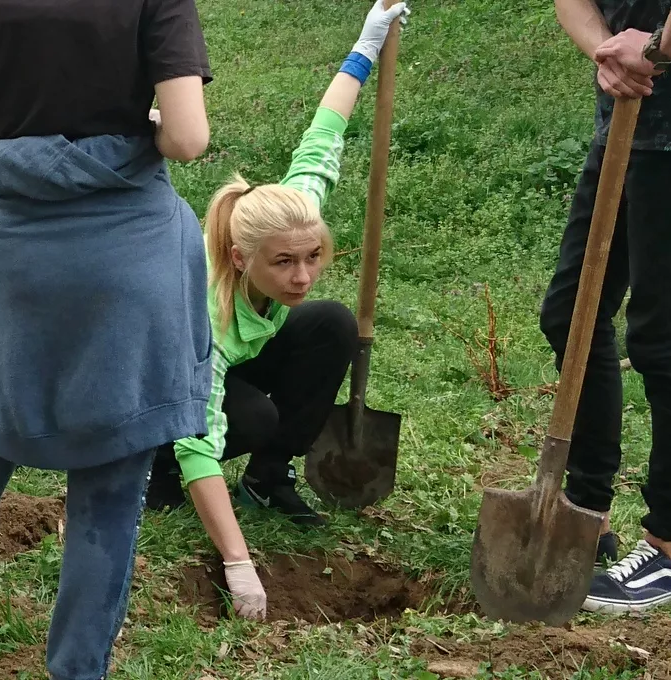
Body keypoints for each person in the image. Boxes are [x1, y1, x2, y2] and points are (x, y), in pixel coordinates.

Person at [143, 0, 412, 621]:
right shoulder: (206, 313)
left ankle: (267, 477)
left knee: (330, 323)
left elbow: (324, 134)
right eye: (285, 263)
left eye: (313, 256)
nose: (304, 275)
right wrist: (238, 563)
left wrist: (365, 46)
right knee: (248, 418)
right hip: (166, 390)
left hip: (241, 361)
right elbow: (199, 443)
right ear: (240, 259)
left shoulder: (290, 213)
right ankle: (148, 470)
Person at [0, 0, 212, 678]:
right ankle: (76, 669)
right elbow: (189, 139)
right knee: (107, 495)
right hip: (127, 268)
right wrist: (151, 126)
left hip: (20, 264)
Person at [540, 0, 671, 613]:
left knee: (663, 338)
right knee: (570, 313)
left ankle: (669, 550)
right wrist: (607, 52)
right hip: (624, 115)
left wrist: (660, 49)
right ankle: (588, 507)